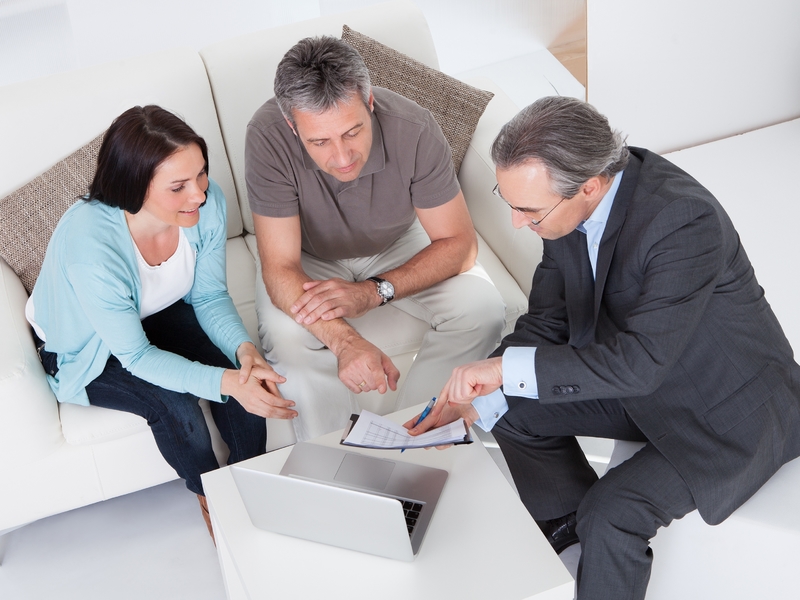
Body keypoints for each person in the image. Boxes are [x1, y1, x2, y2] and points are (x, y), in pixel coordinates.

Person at [406, 96, 800, 599]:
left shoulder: (683, 221)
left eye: (527, 210)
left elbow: (640, 366)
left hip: (727, 407)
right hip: (640, 383)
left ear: (589, 186)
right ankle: (572, 535)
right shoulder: (567, 204)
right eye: (509, 202)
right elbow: (550, 316)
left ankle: (598, 538)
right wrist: (492, 374)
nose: (516, 224)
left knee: (613, 515)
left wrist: (507, 371)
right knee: (503, 408)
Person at [27, 105, 297, 541]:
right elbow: (134, 354)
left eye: (201, 174)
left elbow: (209, 295)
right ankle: (211, 493)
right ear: (135, 187)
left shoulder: (205, 206)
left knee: (247, 372)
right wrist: (226, 381)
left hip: (153, 312)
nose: (200, 195)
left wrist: (243, 352)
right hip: (86, 346)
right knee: (176, 405)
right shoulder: (91, 248)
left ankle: (249, 477)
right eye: (178, 186)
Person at [245, 36, 506, 441]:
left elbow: (460, 244)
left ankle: (410, 436)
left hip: (398, 242)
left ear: (370, 104)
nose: (343, 156)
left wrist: (371, 293)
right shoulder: (266, 136)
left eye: (353, 132)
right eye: (319, 142)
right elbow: (280, 266)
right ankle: (336, 460)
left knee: (483, 307)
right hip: (308, 256)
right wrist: (346, 341)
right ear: (292, 126)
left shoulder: (415, 127)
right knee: (288, 340)